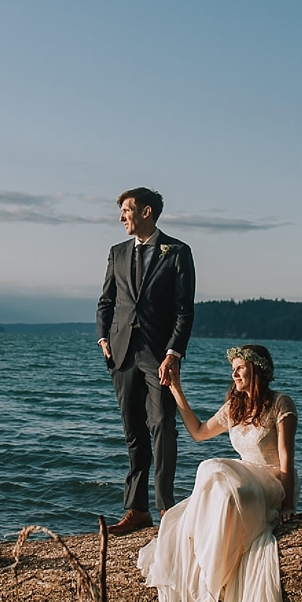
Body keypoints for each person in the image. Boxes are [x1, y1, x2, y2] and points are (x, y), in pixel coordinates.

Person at [137, 344, 298, 602]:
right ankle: (211, 565)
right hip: (243, 477)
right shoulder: (234, 406)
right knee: (211, 471)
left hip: (272, 481)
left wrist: (287, 503)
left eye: (240, 369)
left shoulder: (281, 404)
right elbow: (199, 432)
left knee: (224, 479)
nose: (234, 374)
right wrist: (176, 388)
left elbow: (287, 459)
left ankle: (216, 569)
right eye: (232, 369)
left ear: (256, 370)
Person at [95, 187, 195, 535]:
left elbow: (184, 310)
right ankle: (136, 510)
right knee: (133, 431)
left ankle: (165, 506)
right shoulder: (116, 252)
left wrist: (173, 353)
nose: (121, 216)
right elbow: (105, 301)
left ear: (146, 212)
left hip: (158, 354)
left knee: (164, 424)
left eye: (126, 209)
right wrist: (103, 335)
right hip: (121, 352)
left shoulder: (178, 252)